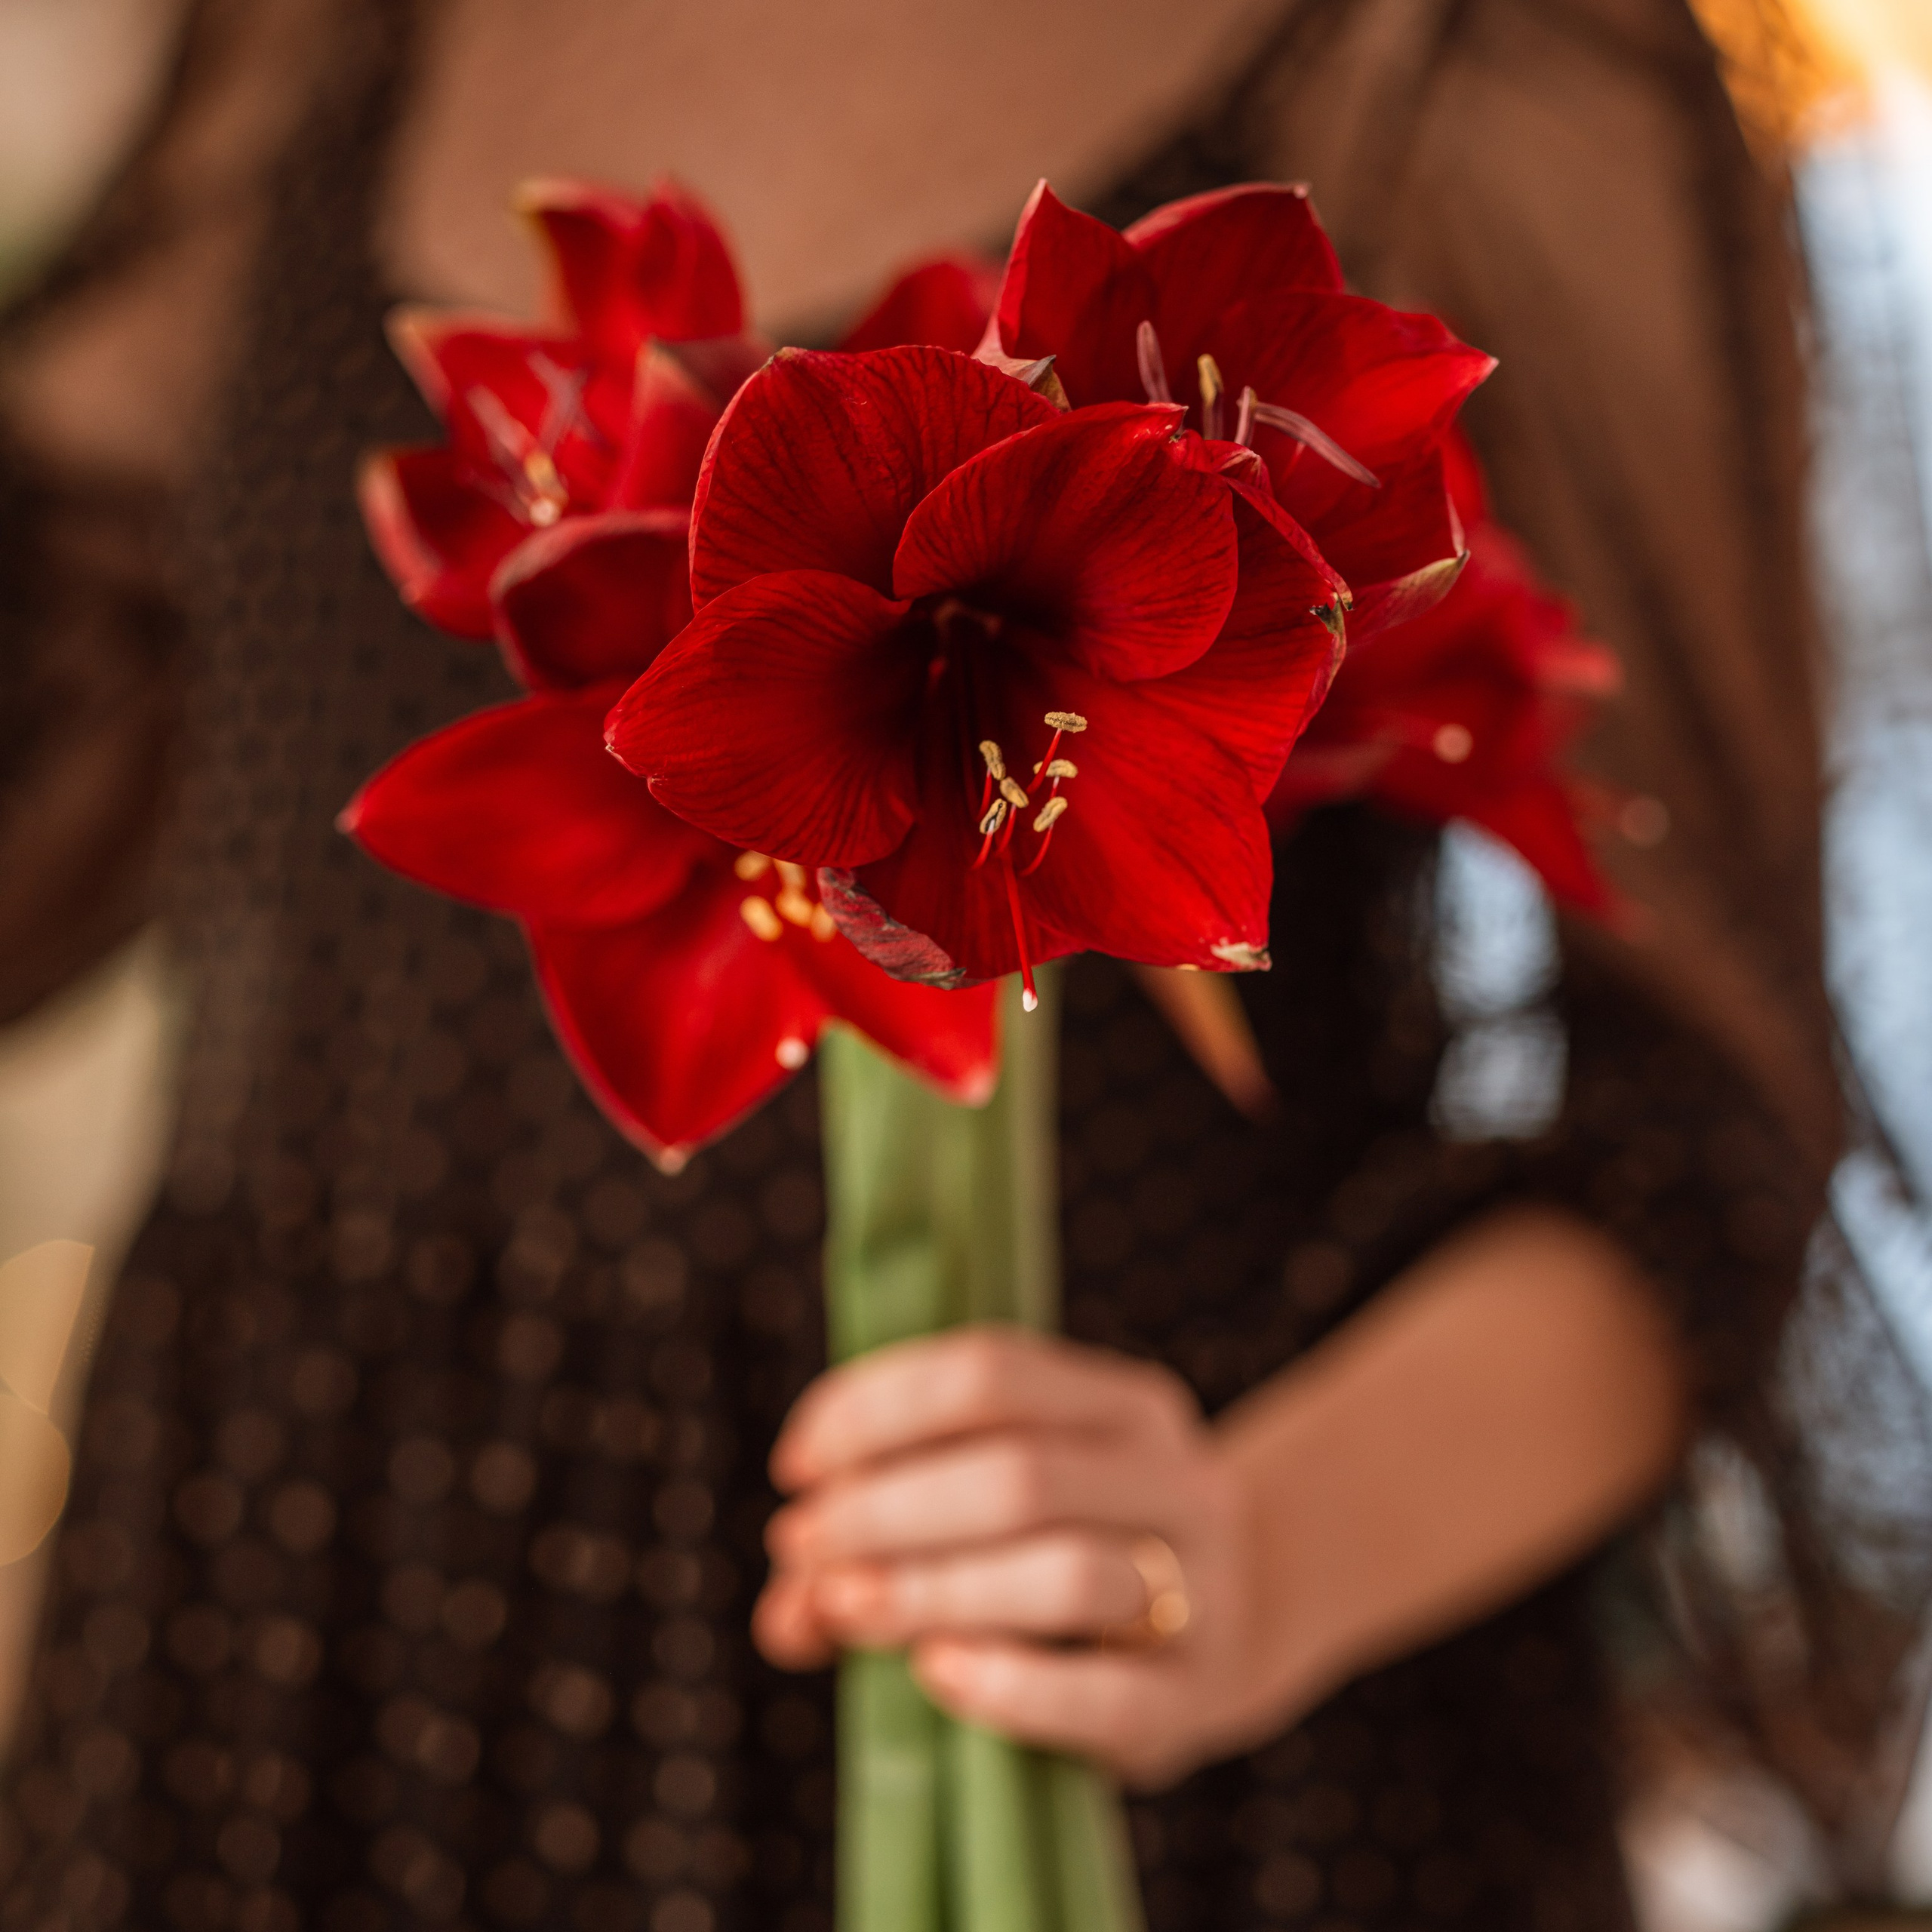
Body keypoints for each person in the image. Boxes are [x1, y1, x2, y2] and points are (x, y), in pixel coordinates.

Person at [0, 2, 1897, 1927]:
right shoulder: (309, 27)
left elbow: (1706, 1120)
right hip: (277, 1639)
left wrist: (1247, 1551)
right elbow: (71, 683)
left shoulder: (1473, 45)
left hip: (1101, 1714)